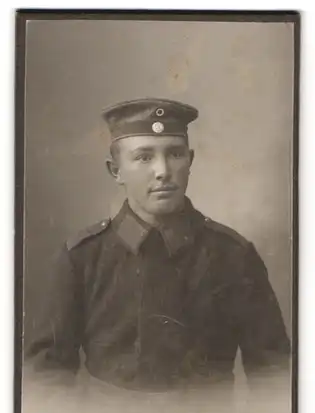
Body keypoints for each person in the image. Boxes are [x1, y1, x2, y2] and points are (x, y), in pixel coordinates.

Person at [25, 98, 290, 397]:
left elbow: (274, 377)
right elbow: (45, 380)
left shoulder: (233, 256)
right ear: (116, 171)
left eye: (175, 154)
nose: (163, 171)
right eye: (144, 157)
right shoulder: (82, 258)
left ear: (190, 160)